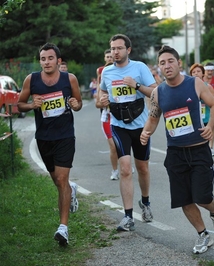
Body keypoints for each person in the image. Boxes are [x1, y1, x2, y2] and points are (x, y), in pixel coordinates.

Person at [140, 45, 214, 254]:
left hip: (198, 150)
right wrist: (145, 132)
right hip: (176, 153)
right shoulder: (158, 93)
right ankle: (202, 235)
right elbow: (153, 118)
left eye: (170, 61)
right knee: (184, 200)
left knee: (202, 197)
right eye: (162, 63)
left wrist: (210, 127)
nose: (166, 66)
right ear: (159, 68)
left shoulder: (195, 83)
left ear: (178, 63)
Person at [17, 43, 82, 246]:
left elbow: (78, 103)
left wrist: (75, 104)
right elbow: (19, 104)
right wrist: (31, 105)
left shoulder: (69, 79)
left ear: (58, 61)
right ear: (40, 61)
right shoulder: (32, 79)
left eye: (50, 58)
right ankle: (71, 189)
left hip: (65, 137)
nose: (46, 62)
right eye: (43, 59)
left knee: (61, 179)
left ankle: (63, 228)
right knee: (57, 181)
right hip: (44, 138)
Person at [98, 34, 157, 230]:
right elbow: (101, 97)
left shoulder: (140, 68)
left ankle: (146, 203)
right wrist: (103, 101)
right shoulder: (106, 72)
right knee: (124, 168)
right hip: (118, 125)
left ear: (128, 50)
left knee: (143, 168)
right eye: (112, 48)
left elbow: (156, 92)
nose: (115, 52)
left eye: (119, 48)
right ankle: (128, 216)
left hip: (140, 125)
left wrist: (137, 85)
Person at [95, 49, 119, 180]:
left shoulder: (121, 83)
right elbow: (97, 104)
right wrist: (104, 101)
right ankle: (114, 171)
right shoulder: (102, 82)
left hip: (121, 117)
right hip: (107, 117)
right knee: (113, 146)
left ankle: (125, 164)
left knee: (123, 145)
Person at [203, 62, 214, 156]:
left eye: (212, 70)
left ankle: (211, 147)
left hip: (211, 105)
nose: (210, 72)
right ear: (205, 71)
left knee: (212, 126)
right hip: (202, 105)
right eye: (208, 70)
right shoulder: (201, 80)